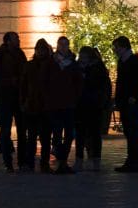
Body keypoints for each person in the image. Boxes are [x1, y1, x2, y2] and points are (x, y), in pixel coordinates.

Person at [0, 31, 27, 172]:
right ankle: (8, 162)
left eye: (18, 38)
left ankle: (22, 161)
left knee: (22, 131)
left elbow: (26, 75)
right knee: (6, 130)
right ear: (8, 41)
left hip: (19, 98)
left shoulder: (21, 55)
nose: (19, 40)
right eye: (16, 39)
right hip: (5, 98)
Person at [112, 36, 138, 173]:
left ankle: (137, 162)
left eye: (117, 48)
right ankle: (131, 161)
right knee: (129, 132)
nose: (115, 50)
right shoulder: (122, 62)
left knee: (133, 132)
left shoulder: (136, 63)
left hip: (132, 103)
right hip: (125, 102)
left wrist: (134, 95)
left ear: (124, 47)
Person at [48, 35, 83, 174]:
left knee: (69, 134)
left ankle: (63, 160)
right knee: (56, 133)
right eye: (61, 44)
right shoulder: (51, 62)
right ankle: (59, 159)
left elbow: (78, 83)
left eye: (65, 44)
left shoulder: (73, 64)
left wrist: (75, 97)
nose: (63, 47)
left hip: (69, 104)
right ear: (57, 45)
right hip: (55, 104)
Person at [74, 46, 111, 171]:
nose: (82, 59)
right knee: (80, 134)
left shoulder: (97, 68)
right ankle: (79, 159)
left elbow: (103, 86)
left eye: (84, 56)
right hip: (81, 105)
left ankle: (96, 160)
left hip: (94, 106)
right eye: (81, 56)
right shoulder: (77, 67)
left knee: (95, 134)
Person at [20, 38, 53, 173]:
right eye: (38, 49)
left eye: (42, 49)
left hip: (45, 106)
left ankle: (44, 163)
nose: (40, 52)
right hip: (32, 106)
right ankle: (30, 163)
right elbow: (23, 86)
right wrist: (23, 102)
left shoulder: (51, 65)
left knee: (45, 138)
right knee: (32, 137)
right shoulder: (29, 66)